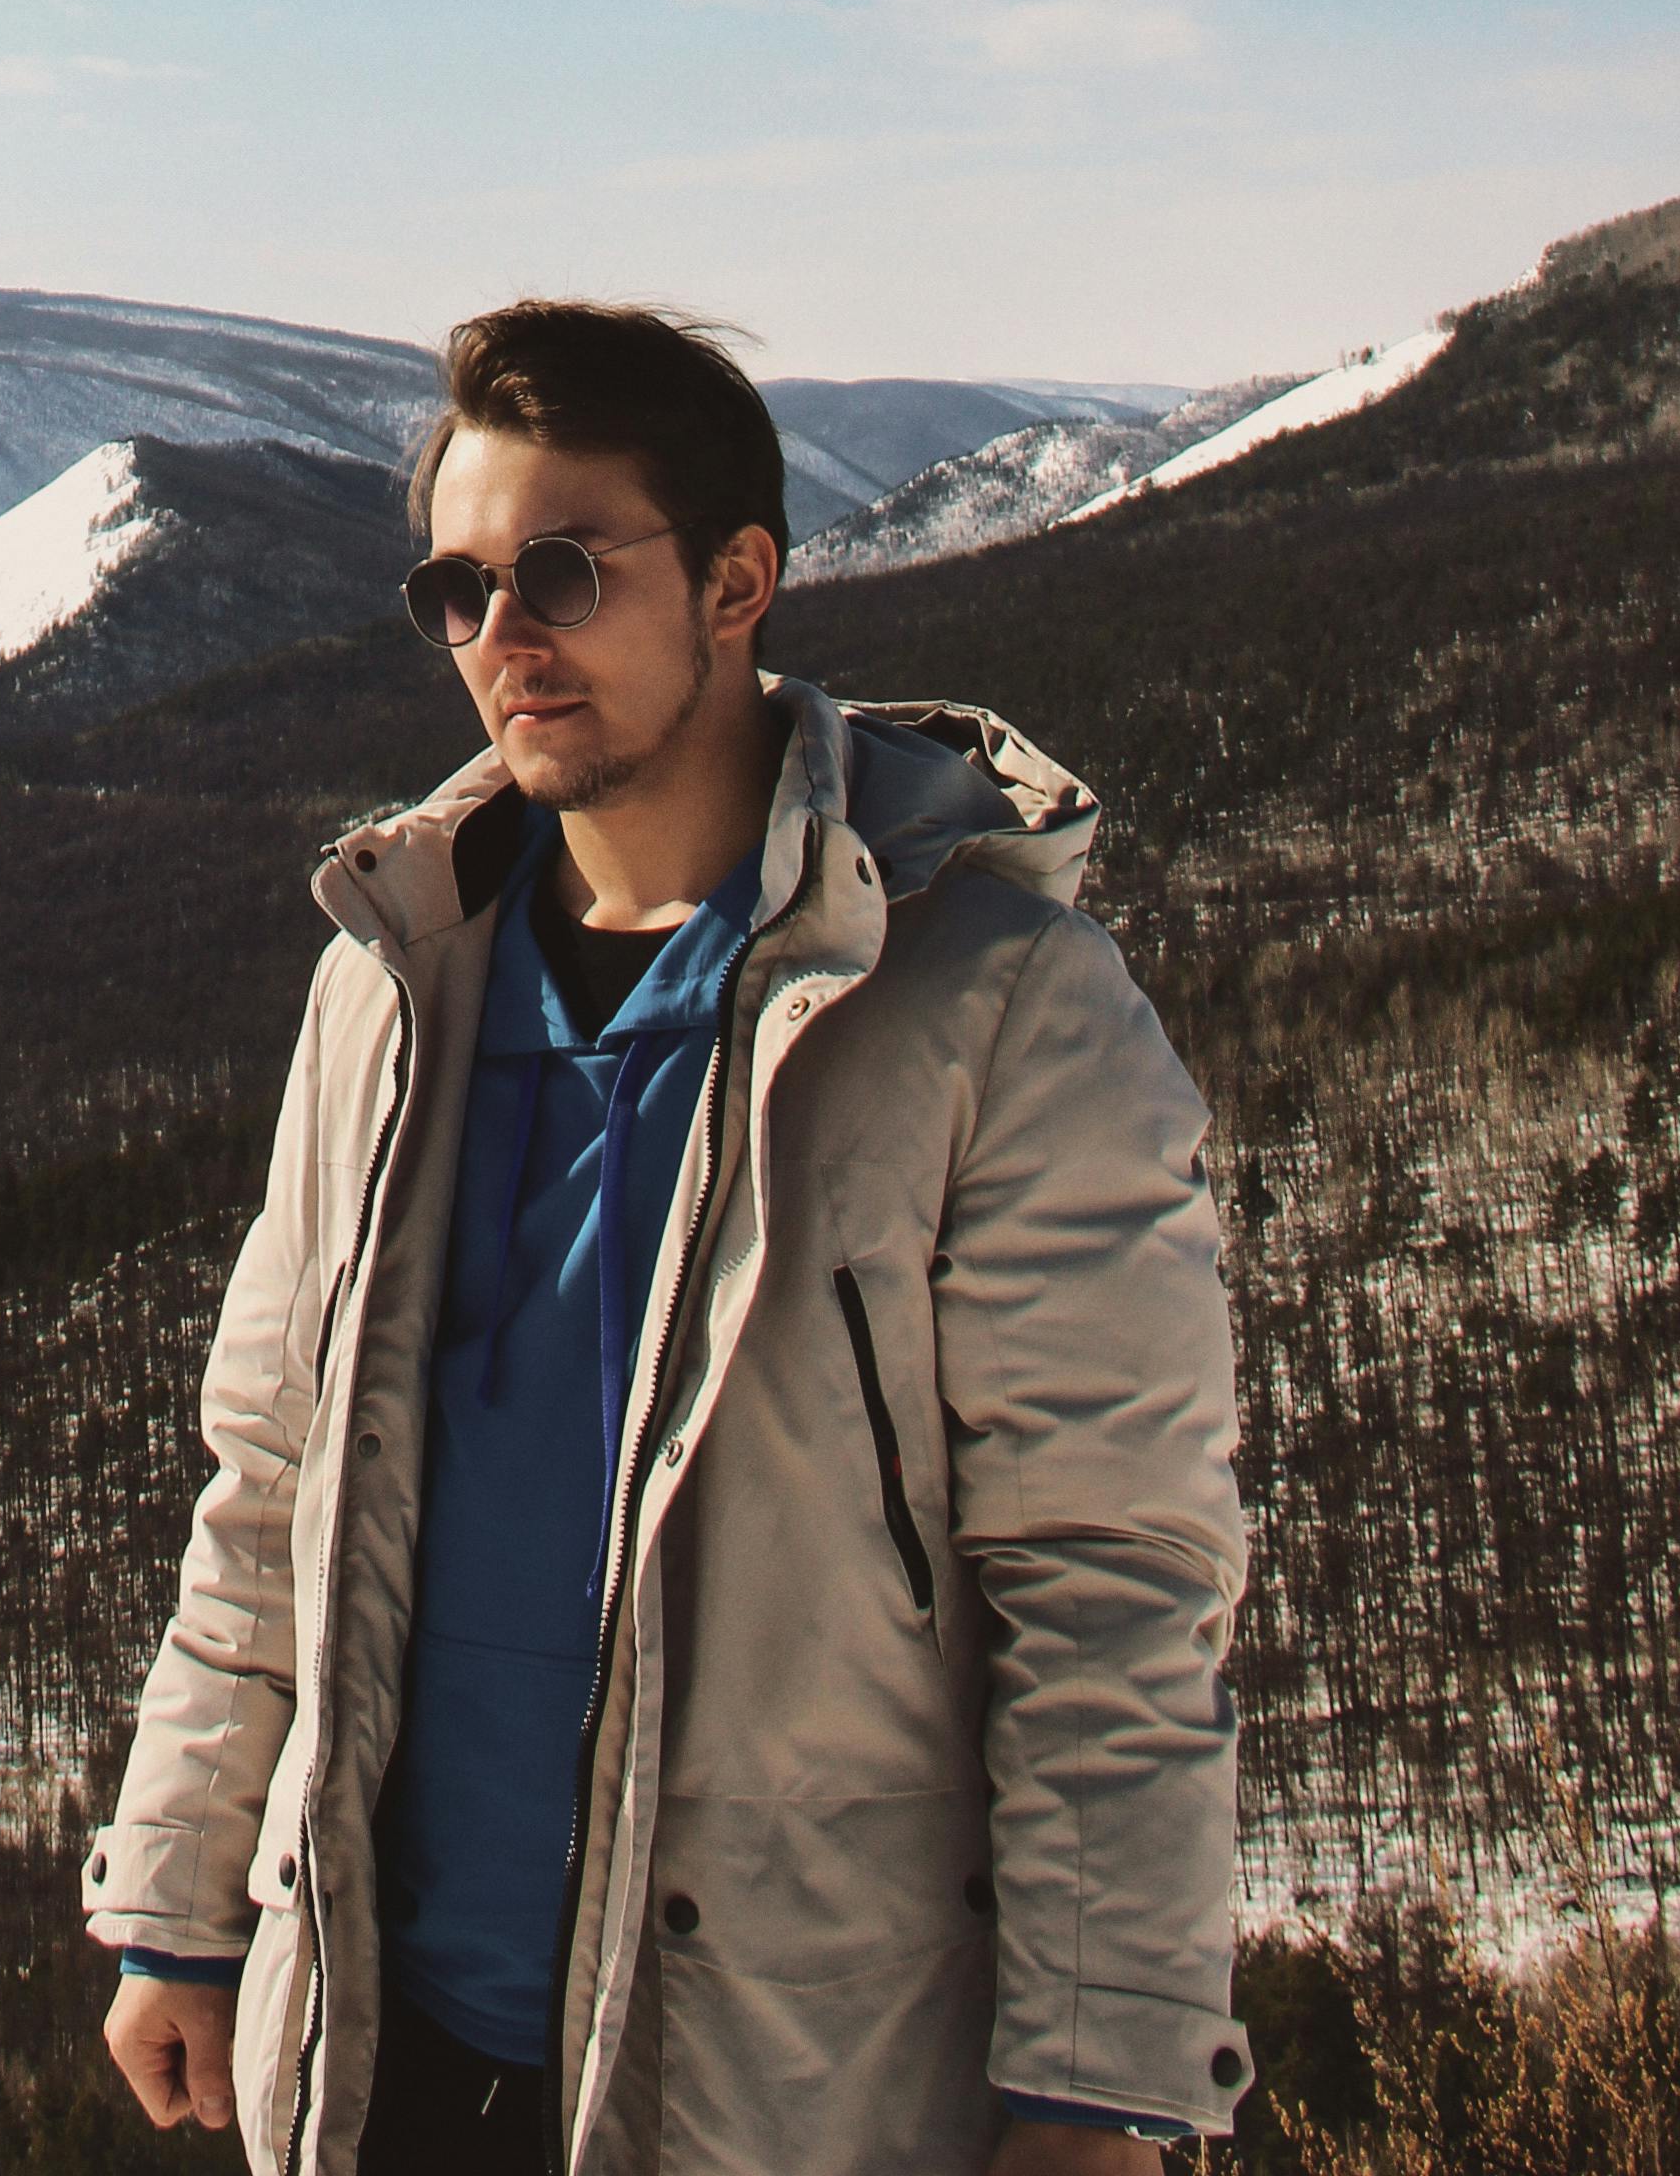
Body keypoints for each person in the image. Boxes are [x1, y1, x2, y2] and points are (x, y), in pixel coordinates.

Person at [86, 298, 1250, 2176]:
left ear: (738, 583)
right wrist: (176, 1898)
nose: (502, 637)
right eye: (454, 591)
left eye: (560, 568)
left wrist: (1100, 2084)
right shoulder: (392, 984)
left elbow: (1108, 1575)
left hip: (779, 2072)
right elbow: (273, 1481)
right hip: (385, 2046)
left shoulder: (991, 1003)